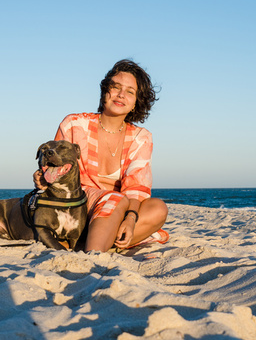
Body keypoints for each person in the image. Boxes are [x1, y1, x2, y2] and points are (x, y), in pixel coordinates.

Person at [35, 59, 168, 252]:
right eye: (115, 87)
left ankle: (98, 239)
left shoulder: (142, 138)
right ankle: (94, 253)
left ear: (136, 102)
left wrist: (130, 220)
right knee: (115, 199)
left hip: (117, 210)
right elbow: (54, 167)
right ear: (105, 90)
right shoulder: (74, 124)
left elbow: (135, 189)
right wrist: (42, 176)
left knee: (158, 208)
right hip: (75, 206)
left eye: (130, 92)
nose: (121, 95)